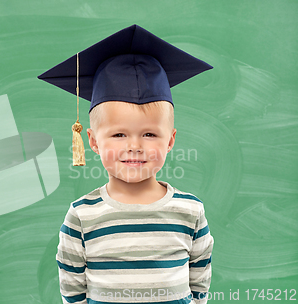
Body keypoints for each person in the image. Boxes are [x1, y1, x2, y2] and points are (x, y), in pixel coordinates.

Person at [38, 25, 215, 304]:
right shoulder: (82, 215)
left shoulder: (190, 211)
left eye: (150, 134)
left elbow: (200, 276)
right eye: (119, 134)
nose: (134, 146)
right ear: (94, 142)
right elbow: (72, 285)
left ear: (170, 141)